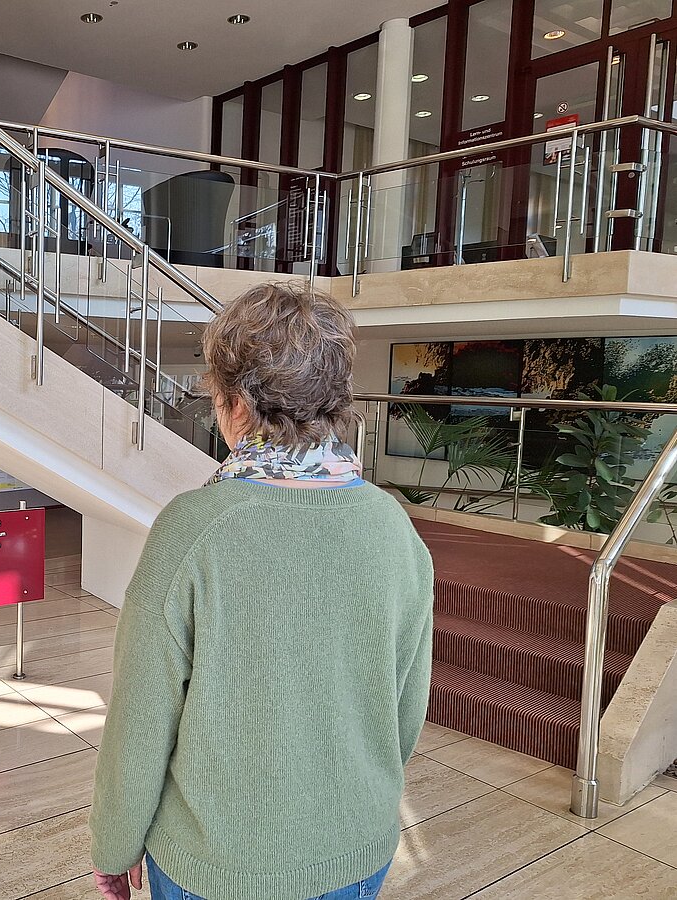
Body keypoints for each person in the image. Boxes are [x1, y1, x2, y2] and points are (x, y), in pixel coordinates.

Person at [90, 282, 434, 900]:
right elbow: (404, 712)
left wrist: (115, 843)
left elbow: (143, 719)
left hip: (216, 863)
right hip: (355, 854)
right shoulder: (392, 527)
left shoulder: (193, 528)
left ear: (239, 405)